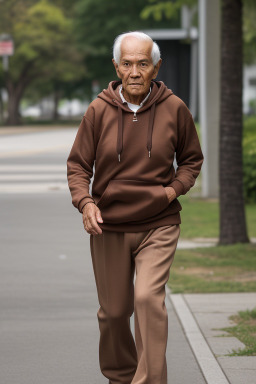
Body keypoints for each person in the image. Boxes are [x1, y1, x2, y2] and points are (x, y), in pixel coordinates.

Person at [67, 31, 204, 384]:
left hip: (159, 222)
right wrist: (85, 203)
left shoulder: (175, 108)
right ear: (116, 66)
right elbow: (78, 166)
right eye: (127, 64)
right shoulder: (98, 110)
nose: (135, 71)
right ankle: (121, 378)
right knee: (114, 313)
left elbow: (191, 160)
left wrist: (172, 191)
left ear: (156, 67)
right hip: (109, 225)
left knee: (147, 300)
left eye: (143, 64)